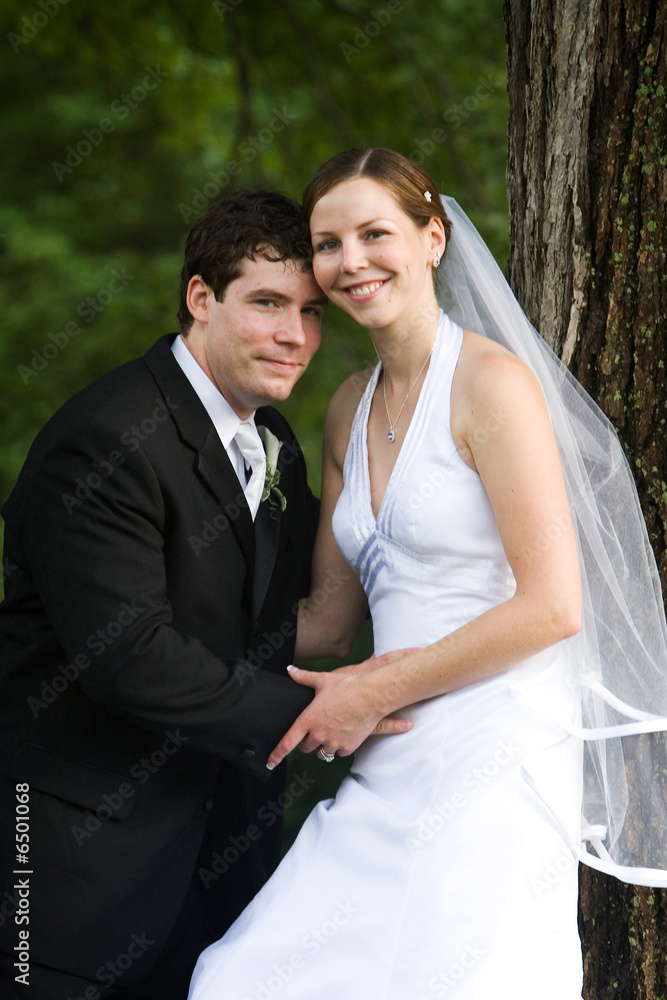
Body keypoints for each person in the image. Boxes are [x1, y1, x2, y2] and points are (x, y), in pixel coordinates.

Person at [188, 150, 667, 999]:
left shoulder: (491, 385)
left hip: (495, 750)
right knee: (241, 979)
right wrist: (156, 625)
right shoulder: (345, 406)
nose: (351, 261)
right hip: (390, 753)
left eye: (376, 233)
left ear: (432, 238)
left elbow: (553, 607)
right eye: (328, 243)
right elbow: (332, 623)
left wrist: (373, 691)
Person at [0, 190, 410, 1000]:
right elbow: (130, 659)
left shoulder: (277, 447)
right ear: (200, 299)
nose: (295, 336)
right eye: (266, 304)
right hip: (70, 867)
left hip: (217, 866)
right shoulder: (110, 438)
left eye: (311, 311)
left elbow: (268, 629)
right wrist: (321, 715)